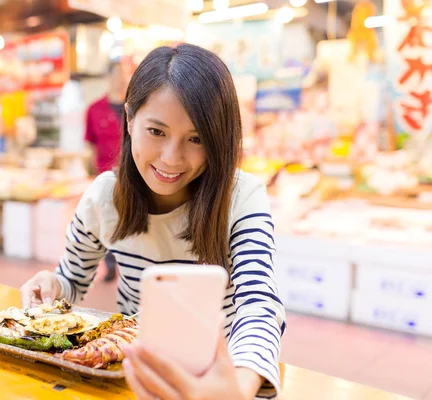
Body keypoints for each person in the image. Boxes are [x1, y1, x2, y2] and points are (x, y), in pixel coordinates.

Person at [20, 44, 286, 400]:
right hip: (138, 377)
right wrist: (50, 286)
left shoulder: (242, 197)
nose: (171, 158)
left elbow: (259, 304)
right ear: (130, 120)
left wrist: (238, 387)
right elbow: (71, 282)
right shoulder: (104, 197)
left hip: (225, 377)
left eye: (196, 139)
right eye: (156, 132)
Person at [84, 61, 128, 282]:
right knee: (108, 219)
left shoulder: (136, 106)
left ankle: (130, 264)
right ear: (108, 77)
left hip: (134, 174)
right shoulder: (94, 109)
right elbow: (90, 143)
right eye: (118, 73)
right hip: (105, 174)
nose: (122, 78)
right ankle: (110, 263)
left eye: (125, 73)